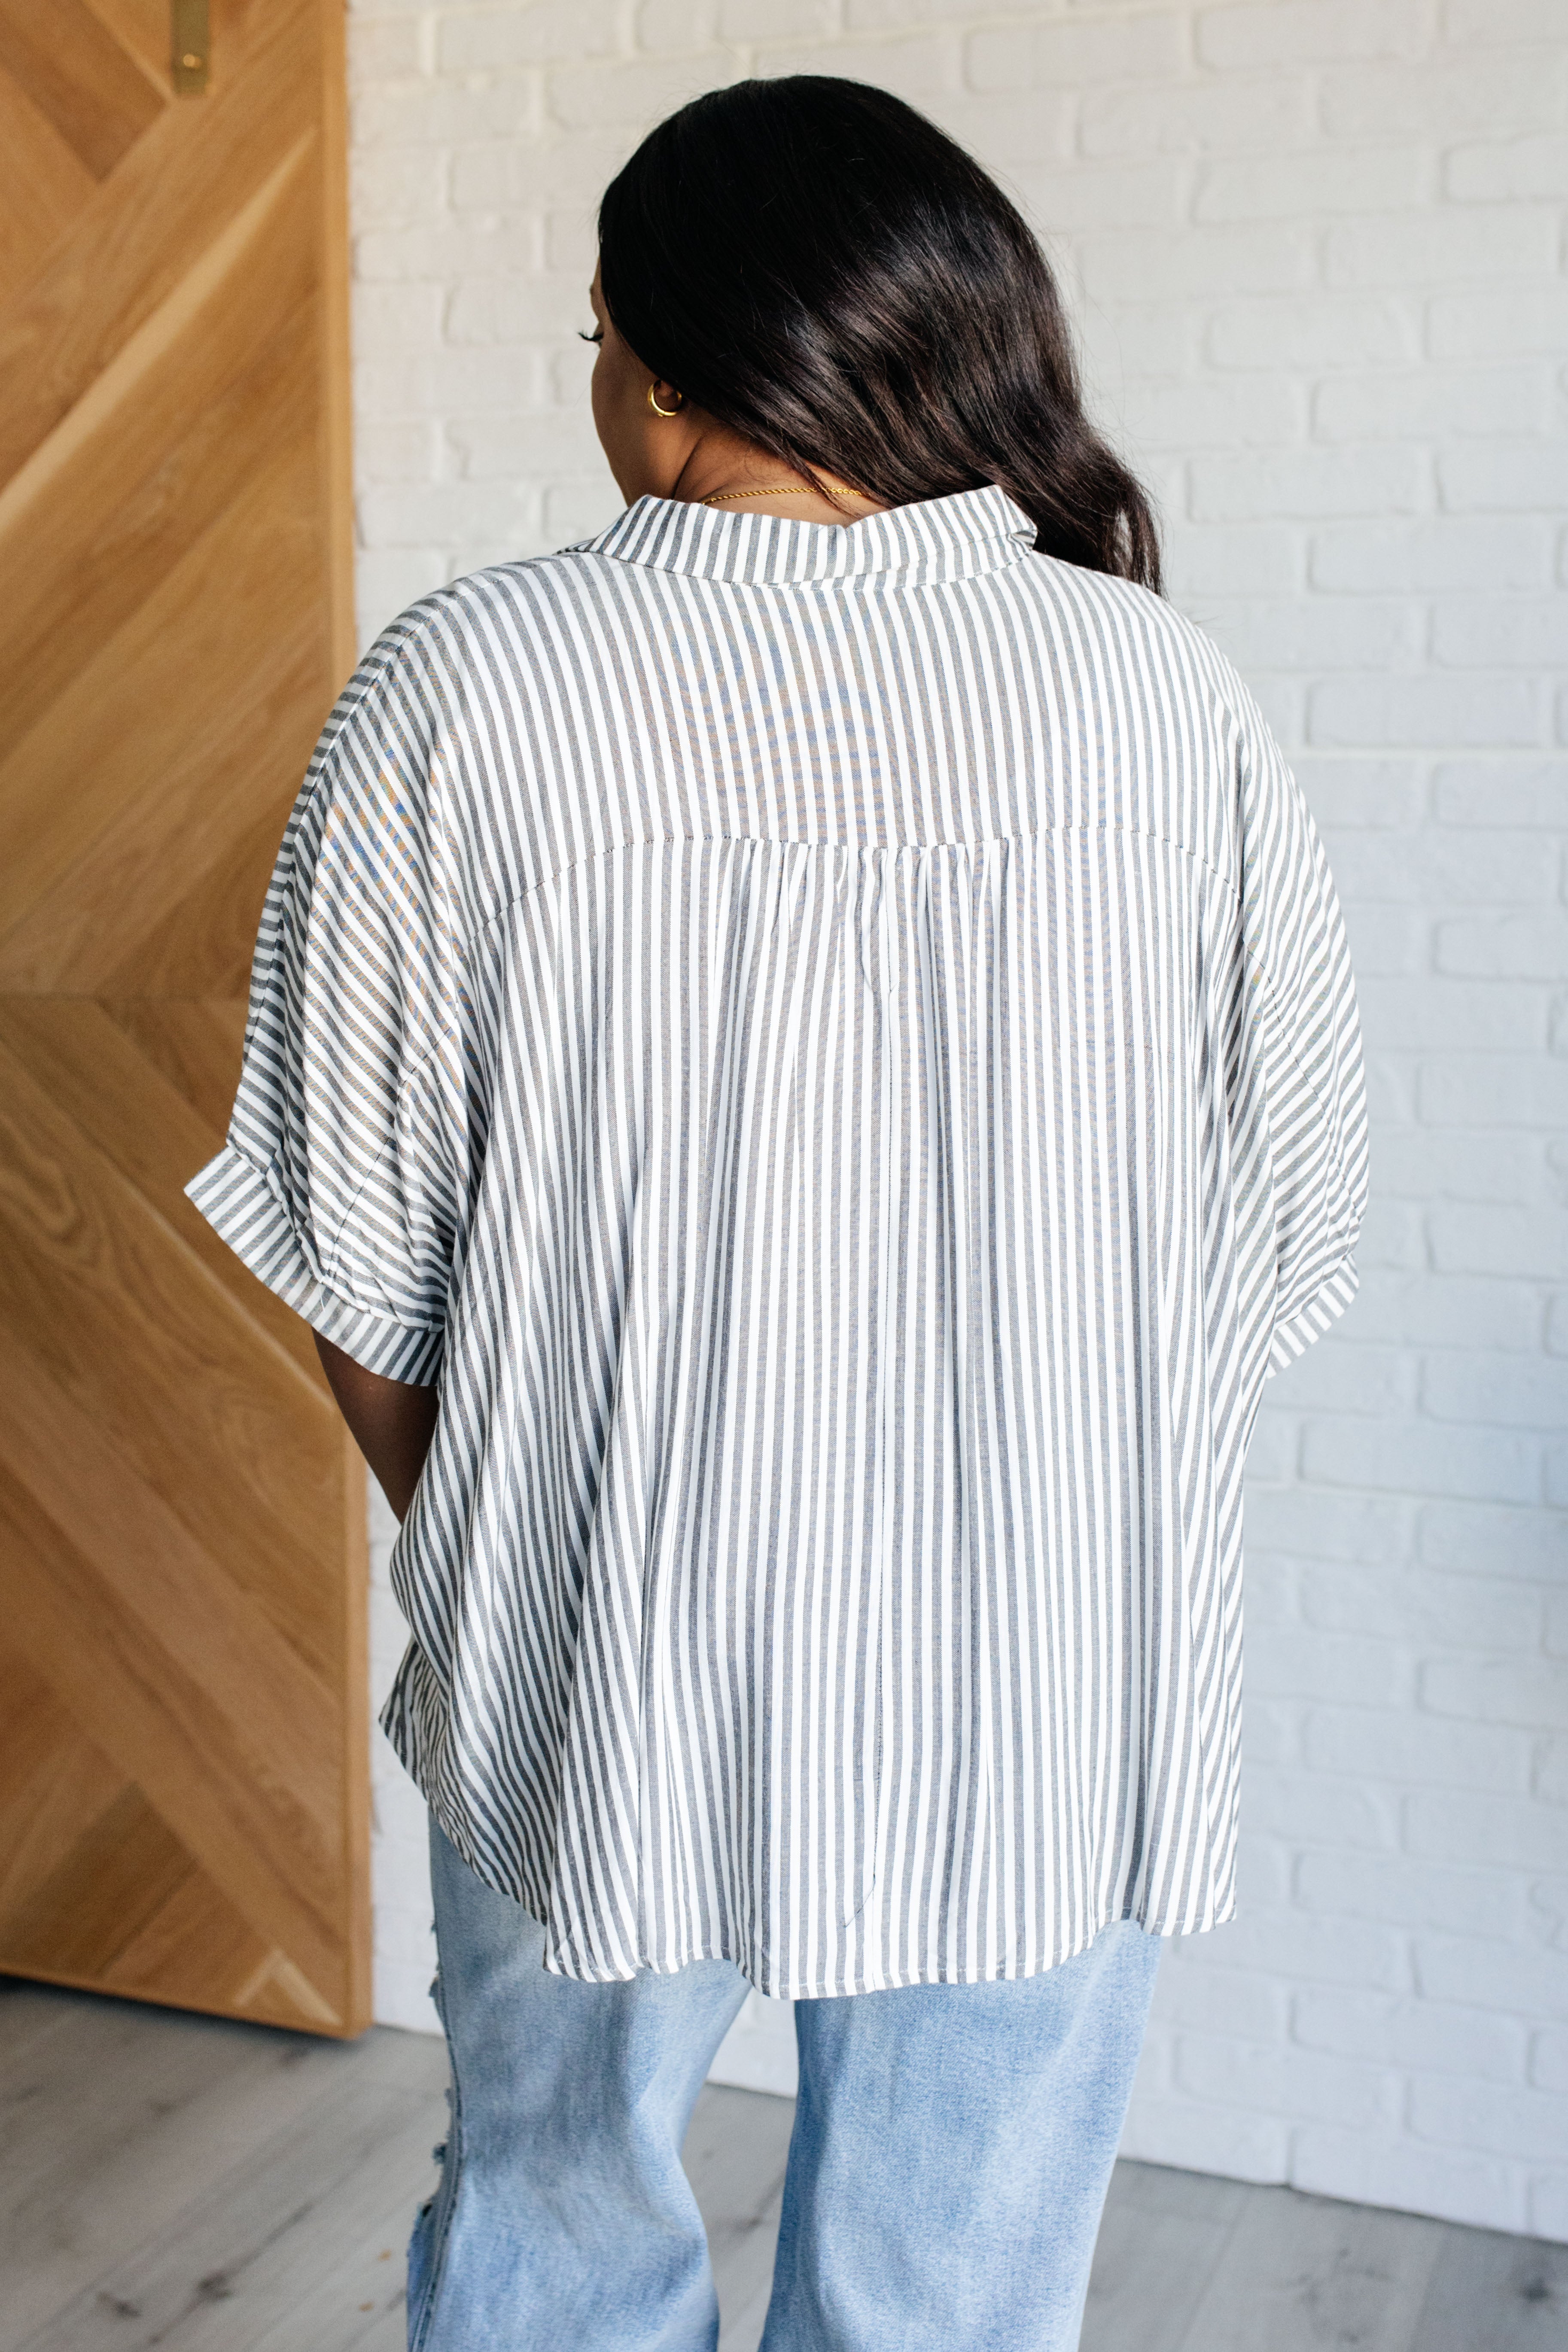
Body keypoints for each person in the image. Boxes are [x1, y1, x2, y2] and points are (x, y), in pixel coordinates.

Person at [188, 74, 1366, 2352]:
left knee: (547, 2219)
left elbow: (358, 1249)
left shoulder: (471, 689)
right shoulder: (1160, 699)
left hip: (595, 1644)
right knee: (953, 2272)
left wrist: (526, 1535)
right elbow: (1271, 1231)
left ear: (654, 356)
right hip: (1041, 1665)